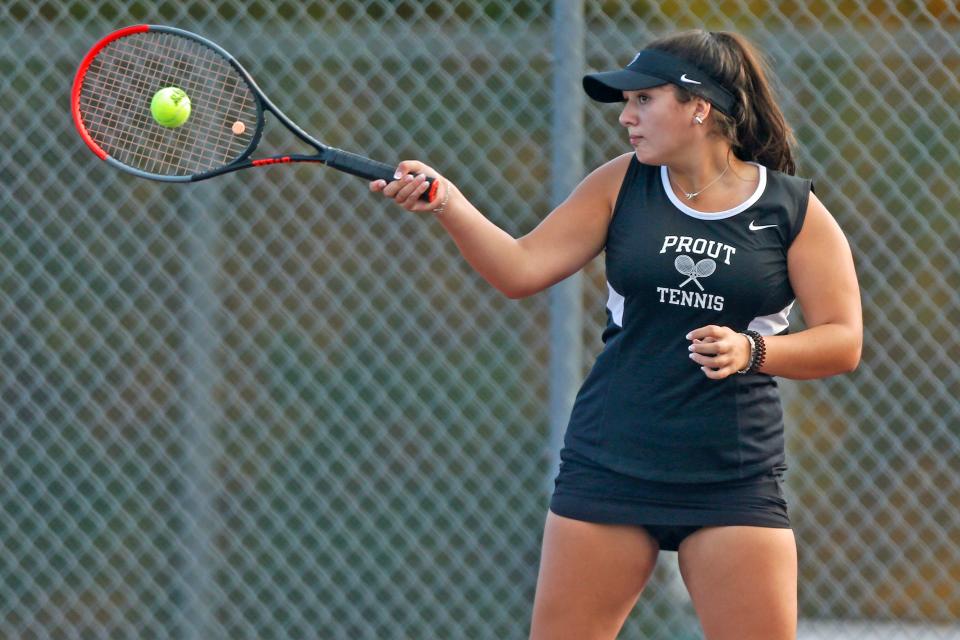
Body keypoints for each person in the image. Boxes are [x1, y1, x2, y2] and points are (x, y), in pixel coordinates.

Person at [370, 29, 862, 640]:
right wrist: (448, 203)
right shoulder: (621, 183)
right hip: (612, 461)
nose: (626, 117)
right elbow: (521, 270)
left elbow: (843, 341)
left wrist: (753, 350)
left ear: (698, 107)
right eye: (625, 104)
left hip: (731, 474)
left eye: (643, 101)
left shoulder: (792, 210)